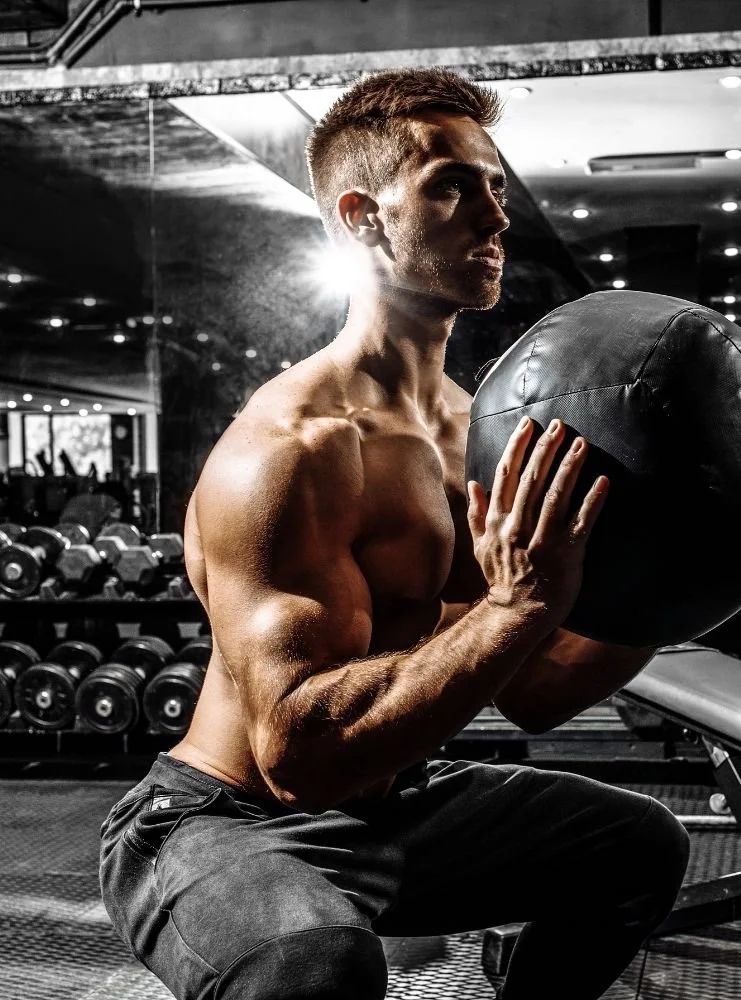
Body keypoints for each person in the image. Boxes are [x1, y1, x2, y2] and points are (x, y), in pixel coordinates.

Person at [99, 67, 689, 1000]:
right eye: (452, 187)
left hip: (392, 806)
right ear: (363, 215)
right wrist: (517, 605)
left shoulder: (469, 431)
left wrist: (689, 579)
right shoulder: (295, 448)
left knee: (636, 846)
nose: (495, 217)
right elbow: (296, 759)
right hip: (227, 820)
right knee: (314, 963)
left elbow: (536, 690)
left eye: (495, 187)